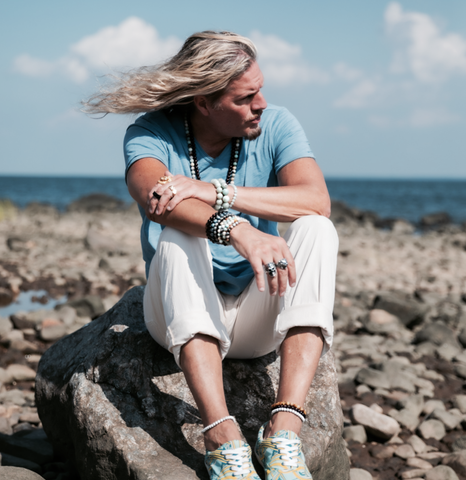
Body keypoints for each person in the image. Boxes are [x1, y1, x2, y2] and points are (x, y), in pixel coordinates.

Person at [84, 30, 338, 480]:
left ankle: (284, 430)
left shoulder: (277, 124)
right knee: (178, 234)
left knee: (317, 229)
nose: (260, 103)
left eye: (260, 90)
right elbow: (154, 197)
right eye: (245, 98)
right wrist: (237, 229)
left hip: (257, 314)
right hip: (180, 318)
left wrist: (216, 191)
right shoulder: (150, 133)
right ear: (203, 102)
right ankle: (221, 434)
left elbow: (315, 200)